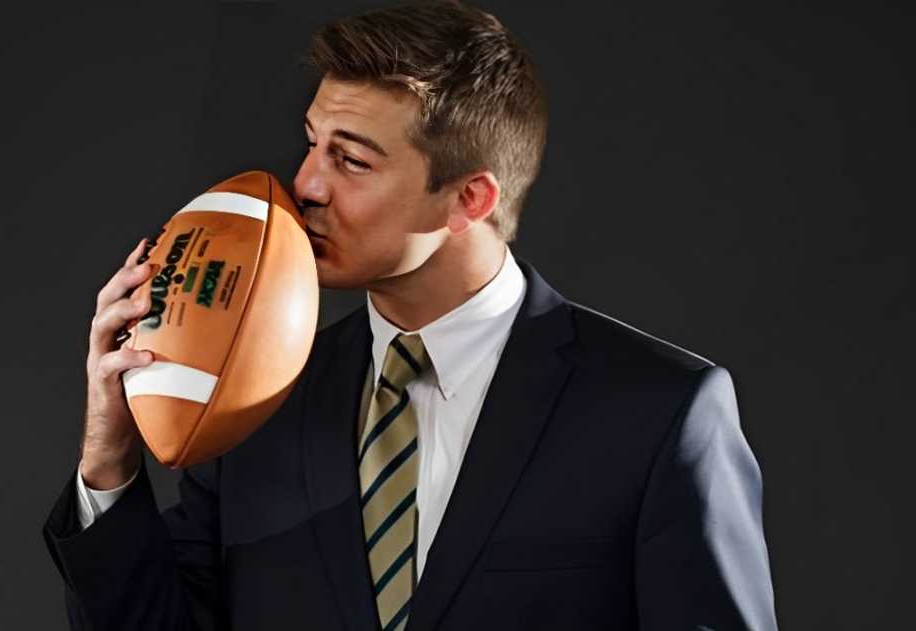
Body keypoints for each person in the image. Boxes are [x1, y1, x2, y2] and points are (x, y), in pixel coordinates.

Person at [42, 1, 778, 629]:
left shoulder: (659, 413)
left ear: (471, 199)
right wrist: (110, 457)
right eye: (311, 144)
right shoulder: (256, 398)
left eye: (352, 160)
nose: (304, 185)